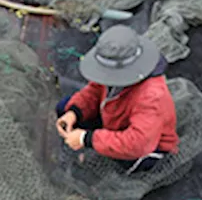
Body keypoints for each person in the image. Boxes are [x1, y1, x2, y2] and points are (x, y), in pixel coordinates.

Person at [56, 25, 179, 173]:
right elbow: (94, 91)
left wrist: (86, 139)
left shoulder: (151, 96)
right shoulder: (107, 74)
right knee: (64, 107)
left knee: (125, 165)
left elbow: (138, 144)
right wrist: (74, 113)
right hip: (114, 117)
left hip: (147, 146)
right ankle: (96, 142)